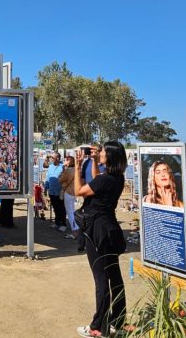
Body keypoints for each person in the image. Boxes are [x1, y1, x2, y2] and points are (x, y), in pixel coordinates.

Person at [74, 141, 128, 338]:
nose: (100, 152)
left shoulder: (106, 180)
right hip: (111, 230)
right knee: (115, 277)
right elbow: (97, 182)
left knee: (101, 279)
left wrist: (78, 169)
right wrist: (95, 162)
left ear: (111, 156)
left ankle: (97, 327)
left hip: (98, 232)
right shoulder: (117, 178)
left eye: (103, 151)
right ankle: (118, 321)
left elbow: (80, 191)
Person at [59, 155, 79, 238]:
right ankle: (76, 229)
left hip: (68, 192)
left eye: (67, 160)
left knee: (70, 213)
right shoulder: (76, 169)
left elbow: (60, 180)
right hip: (74, 192)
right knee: (72, 212)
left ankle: (75, 232)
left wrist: (62, 171)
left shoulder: (68, 170)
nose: (65, 161)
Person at [45, 152, 66, 232]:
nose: (51, 159)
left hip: (60, 191)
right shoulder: (50, 166)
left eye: (53, 158)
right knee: (55, 208)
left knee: (61, 208)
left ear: (58, 158)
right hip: (52, 191)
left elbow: (65, 179)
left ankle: (63, 224)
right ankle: (57, 223)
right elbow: (48, 177)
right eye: (51, 158)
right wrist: (46, 187)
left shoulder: (63, 167)